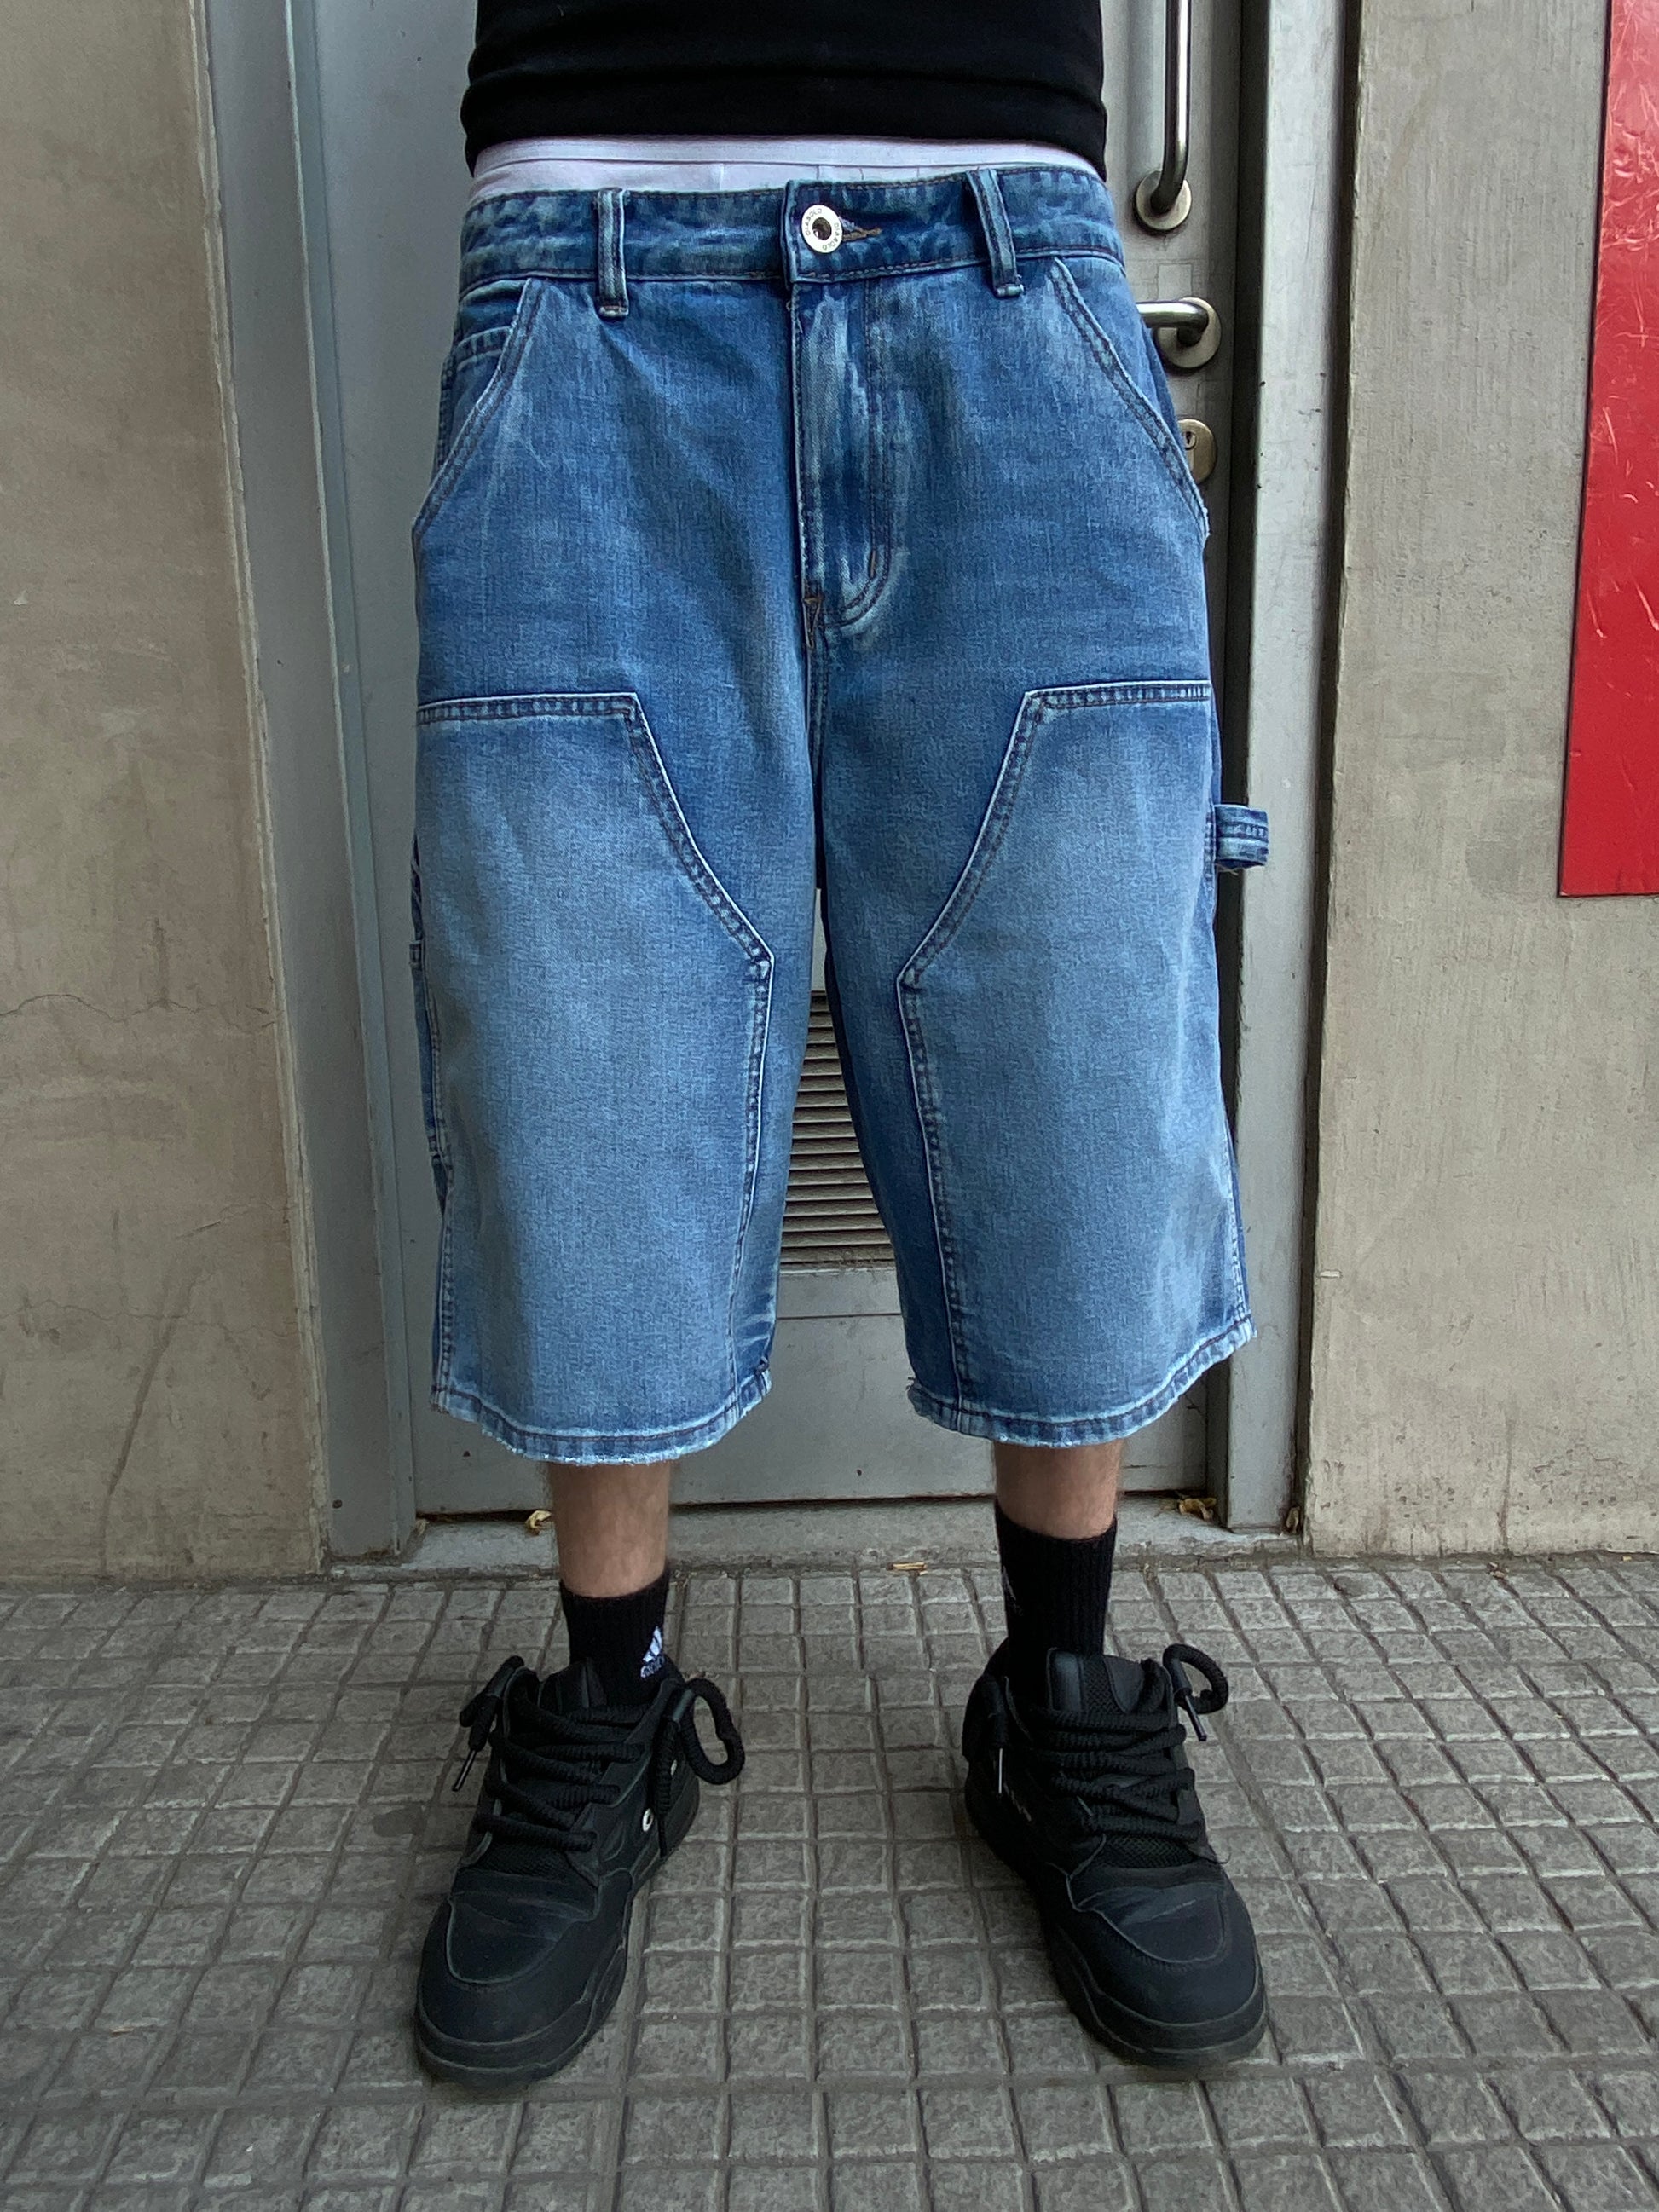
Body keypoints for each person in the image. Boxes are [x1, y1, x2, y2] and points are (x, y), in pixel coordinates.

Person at [407, 2, 1272, 2092]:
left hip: (1007, 267)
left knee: (1068, 1038)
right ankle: (609, 1701)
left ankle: (1063, 1697)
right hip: (587, 279)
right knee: (580, 1031)